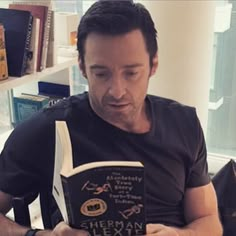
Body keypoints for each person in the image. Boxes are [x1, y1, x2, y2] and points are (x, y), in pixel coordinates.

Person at [0, 1, 223, 235]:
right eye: (101, 73)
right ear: (83, 68)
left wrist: (180, 235)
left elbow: (208, 221)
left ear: (153, 65)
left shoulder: (183, 124)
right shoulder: (44, 130)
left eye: (131, 73)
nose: (117, 90)